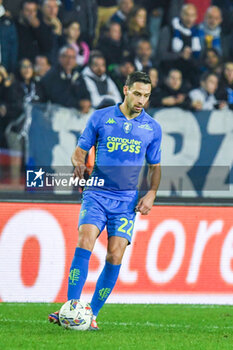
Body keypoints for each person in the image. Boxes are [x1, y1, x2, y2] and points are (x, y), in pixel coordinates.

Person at [48, 71, 162, 330]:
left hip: (126, 202)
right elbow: (79, 152)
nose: (141, 100)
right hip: (97, 193)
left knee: (115, 254)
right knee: (85, 239)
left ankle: (92, 314)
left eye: (146, 95)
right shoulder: (101, 118)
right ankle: (71, 308)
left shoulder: (152, 128)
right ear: (125, 90)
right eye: (137, 93)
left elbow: (155, 166)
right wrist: (78, 164)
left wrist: (152, 193)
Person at [39, 45, 90, 111]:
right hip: (56, 113)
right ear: (60, 58)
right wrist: (79, 104)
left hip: (76, 113)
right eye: (66, 57)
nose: (70, 60)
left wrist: (87, 101)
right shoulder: (51, 76)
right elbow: (58, 98)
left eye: (73, 57)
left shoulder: (77, 74)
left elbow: (85, 92)